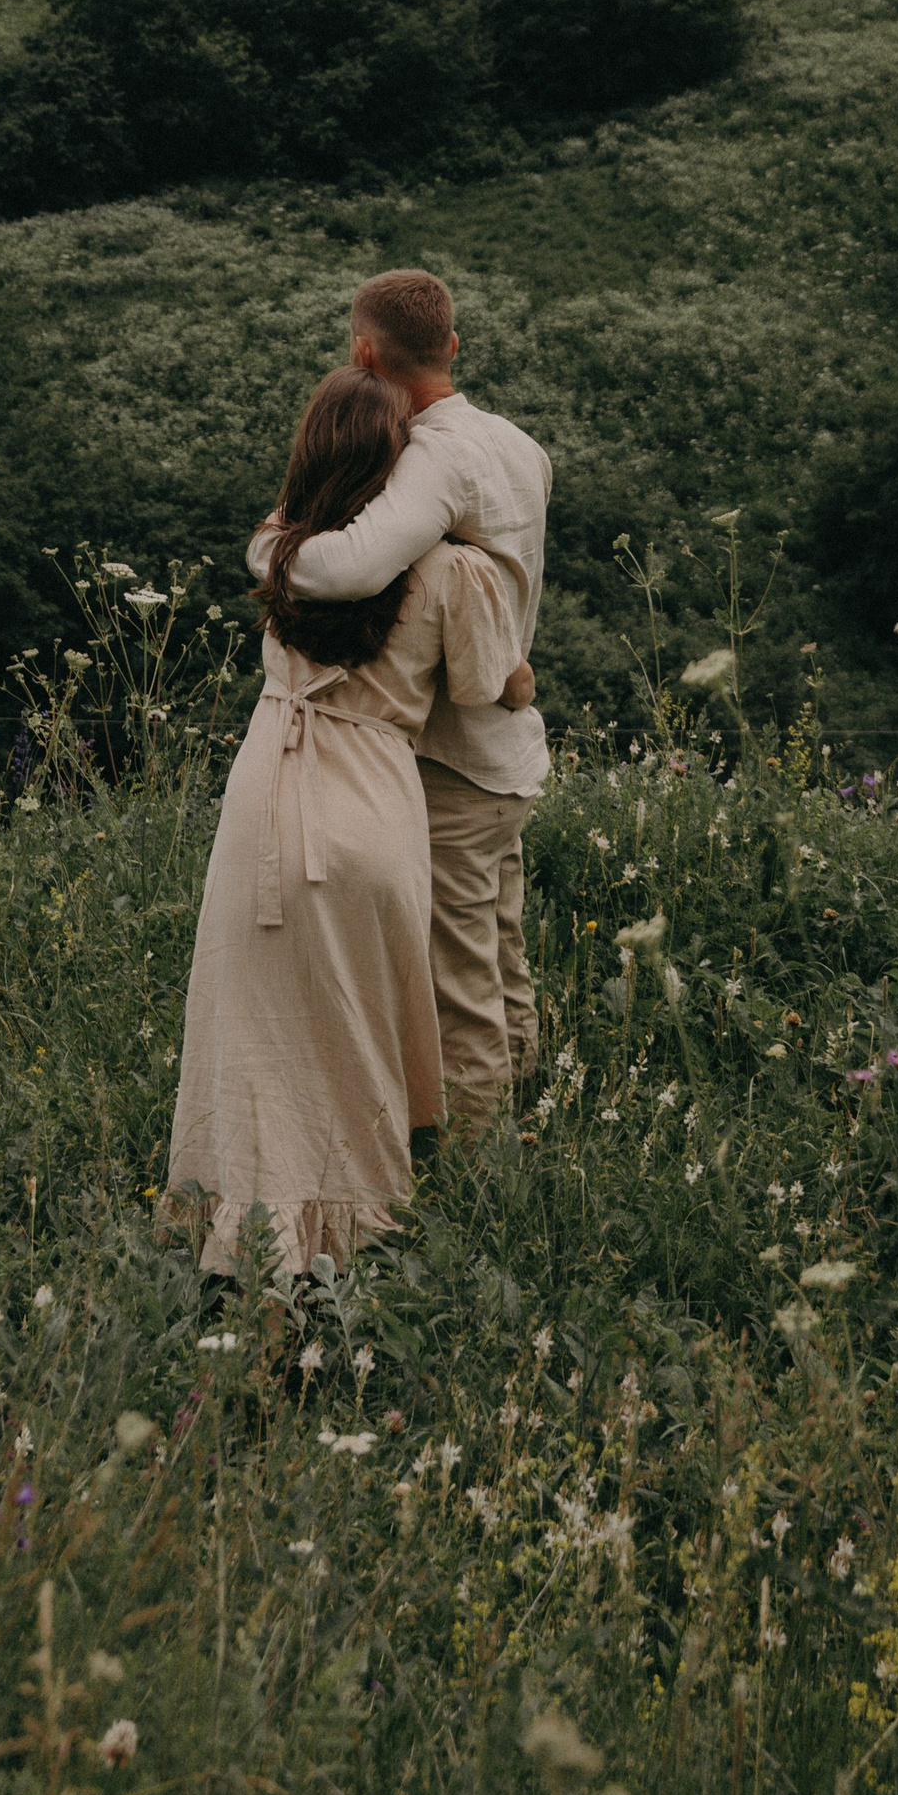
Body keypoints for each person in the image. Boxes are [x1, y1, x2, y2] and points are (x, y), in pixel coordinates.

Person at [159, 363, 531, 1277]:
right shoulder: (452, 572)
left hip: (267, 797)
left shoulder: (281, 551)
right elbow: (496, 687)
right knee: (359, 1031)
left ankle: (244, 1237)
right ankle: (359, 1231)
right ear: (398, 466)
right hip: (373, 801)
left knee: (253, 1030)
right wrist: (521, 670)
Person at [279, 269, 550, 1136]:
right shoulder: (519, 443)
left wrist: (270, 553)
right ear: (454, 346)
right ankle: (529, 1098)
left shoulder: (434, 455)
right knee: (500, 951)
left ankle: (480, 1167)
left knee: (459, 976)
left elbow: (354, 566)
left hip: (455, 756)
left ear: (366, 353)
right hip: (511, 749)